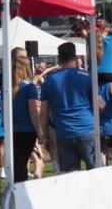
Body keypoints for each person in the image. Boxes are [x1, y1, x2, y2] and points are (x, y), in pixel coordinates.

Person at [39, 42, 98, 173]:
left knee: (70, 178)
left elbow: (43, 113)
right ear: (76, 57)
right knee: (96, 174)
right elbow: (99, 104)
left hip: (64, 133)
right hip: (88, 130)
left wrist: (45, 136)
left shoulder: (50, 80)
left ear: (59, 58)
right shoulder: (87, 77)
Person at [10, 53, 41, 183]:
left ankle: (15, 188)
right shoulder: (29, 87)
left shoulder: (7, 87)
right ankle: (21, 190)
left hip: (12, 129)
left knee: (16, 162)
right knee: (22, 163)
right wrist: (40, 132)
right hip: (27, 130)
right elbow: (33, 111)